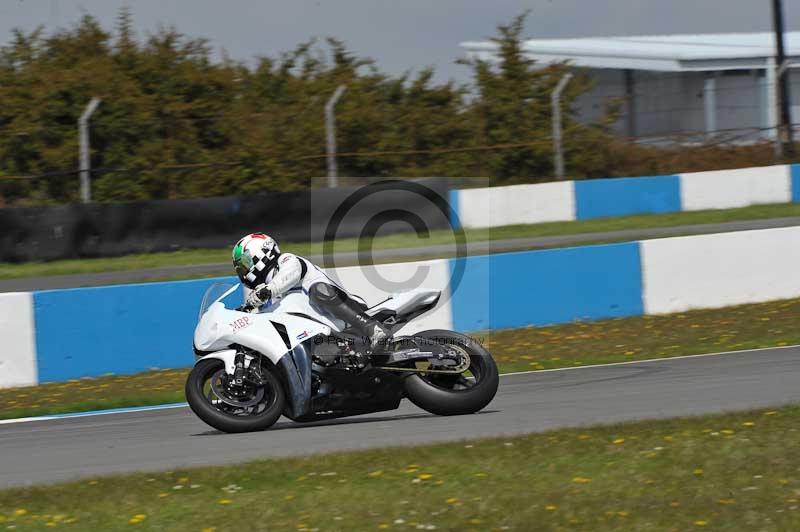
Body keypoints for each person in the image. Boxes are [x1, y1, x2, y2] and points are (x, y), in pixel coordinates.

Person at [232, 232, 389, 349]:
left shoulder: (286, 260)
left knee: (318, 290)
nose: (243, 269)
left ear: (263, 252)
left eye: (245, 262)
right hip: (322, 331)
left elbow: (290, 273)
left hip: (350, 309)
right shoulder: (265, 295)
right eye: (240, 266)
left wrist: (267, 291)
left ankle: (372, 328)